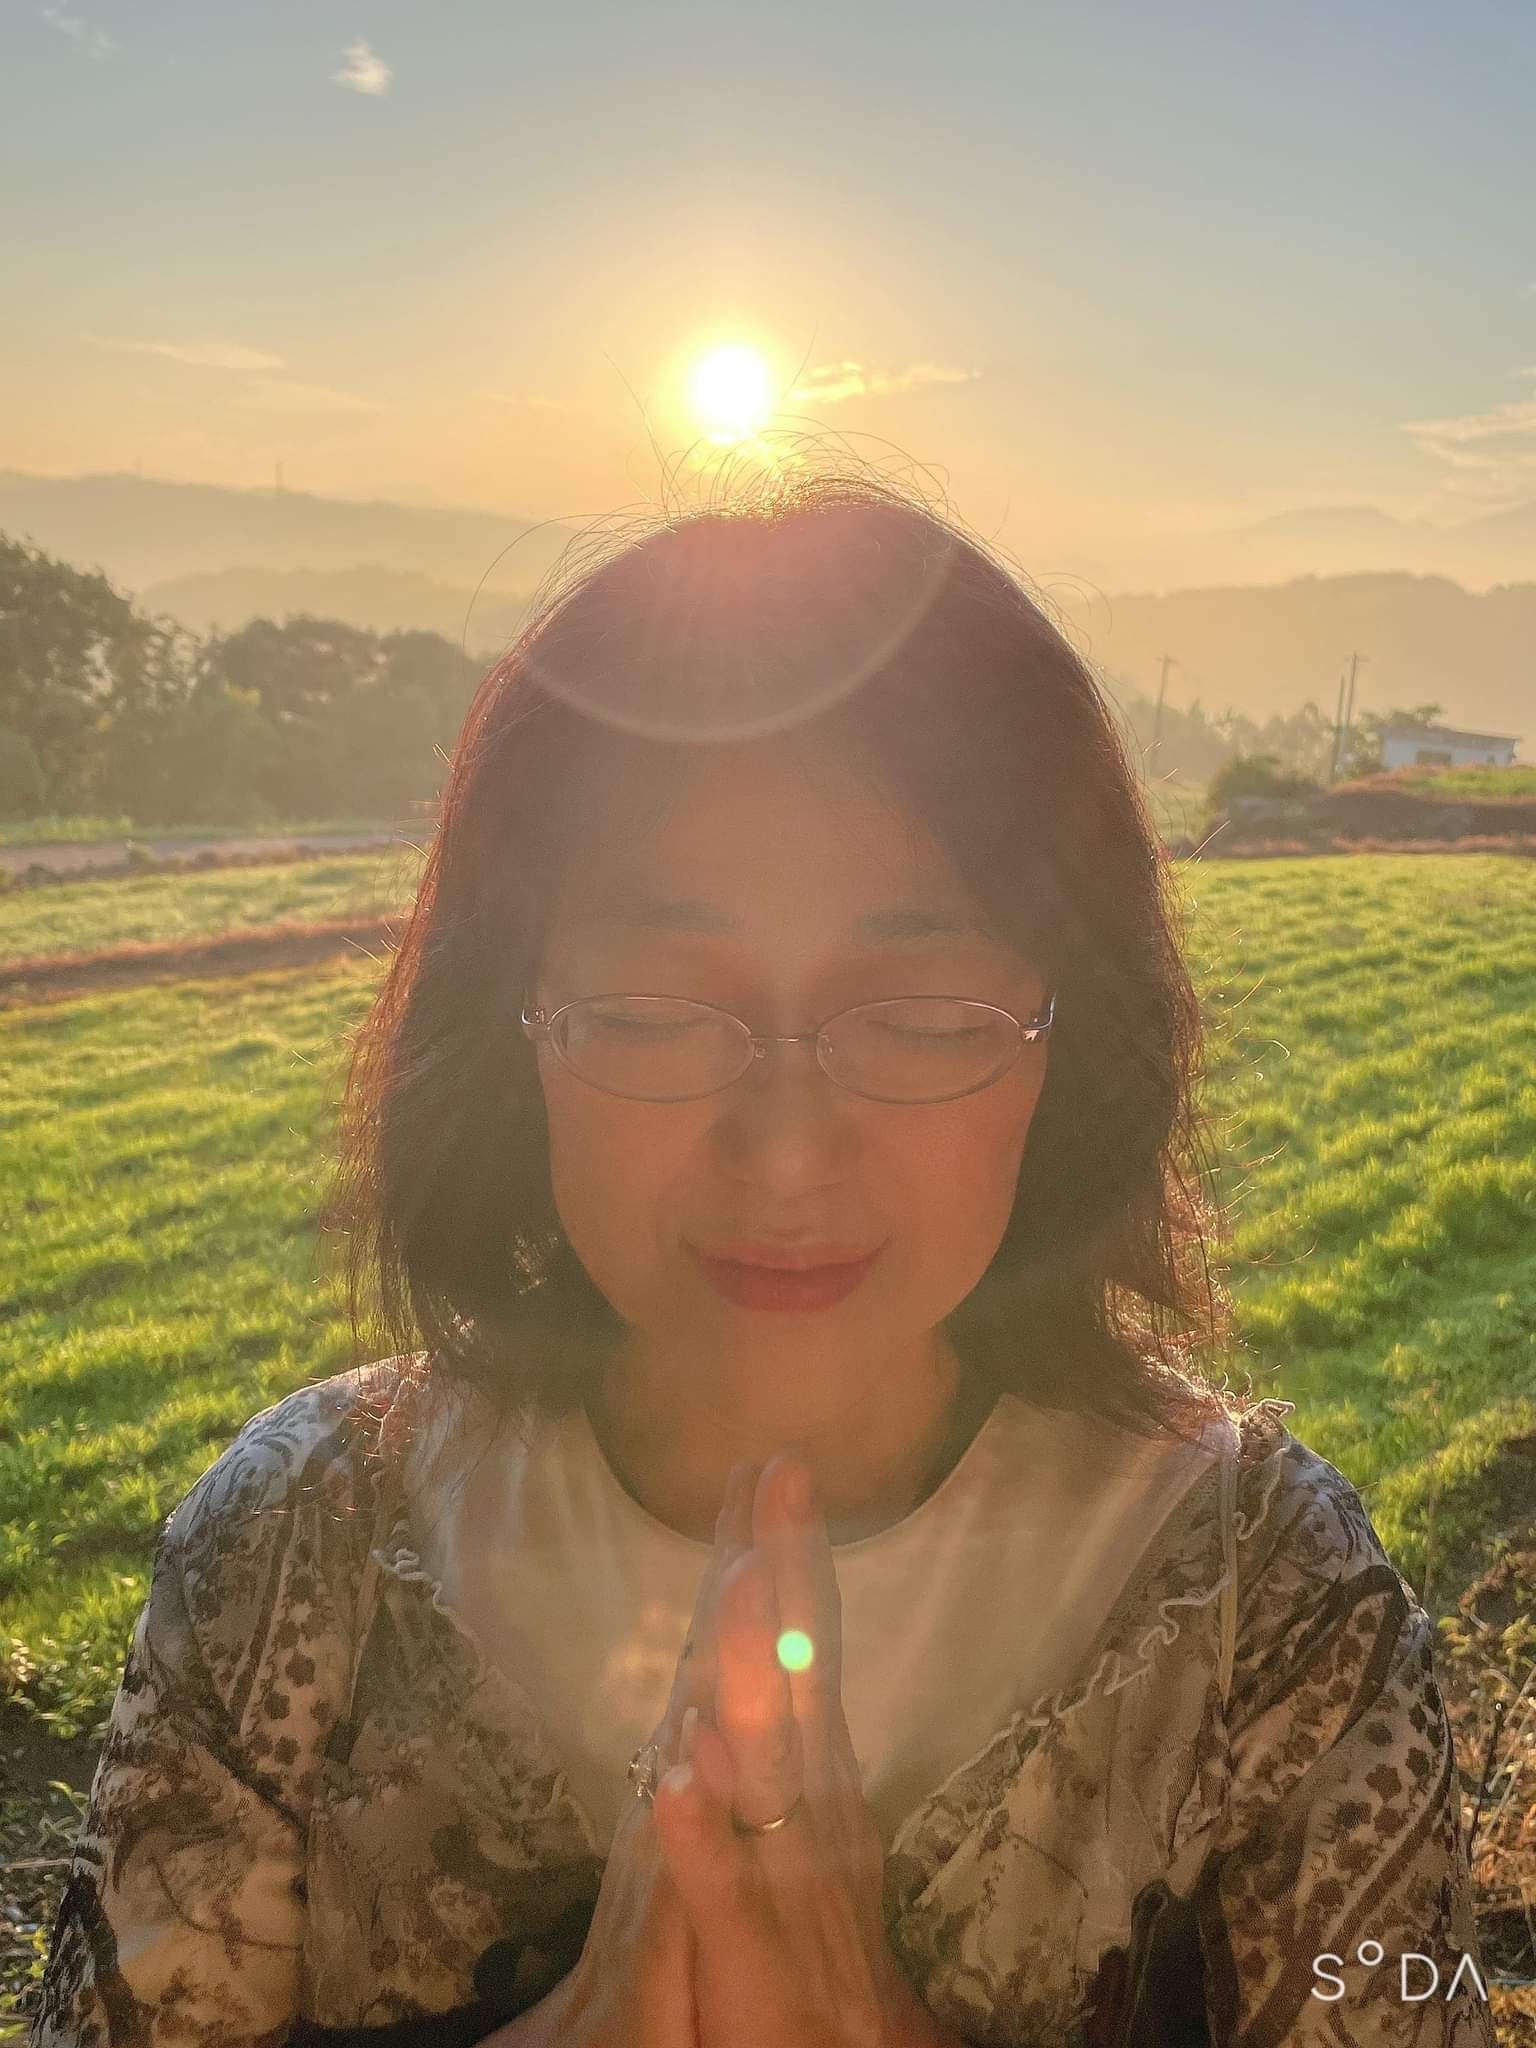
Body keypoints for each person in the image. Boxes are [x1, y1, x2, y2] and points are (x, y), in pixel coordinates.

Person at [30, 474, 1493, 2046]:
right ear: (515, 1034)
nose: (788, 1152)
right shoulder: (293, 1543)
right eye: (656, 1012)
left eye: (922, 1017)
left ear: (1068, 1048)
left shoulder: (1274, 1609)